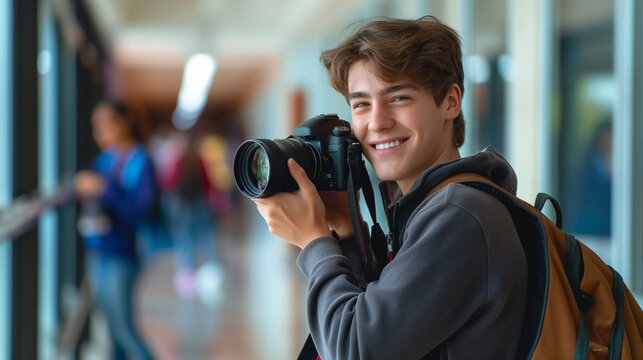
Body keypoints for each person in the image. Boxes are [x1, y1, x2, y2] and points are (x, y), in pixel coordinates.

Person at [252, 16, 528, 359]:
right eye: (361, 104)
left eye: (398, 97)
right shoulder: (431, 206)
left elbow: (355, 350)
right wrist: (347, 234)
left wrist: (314, 242)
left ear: (451, 102)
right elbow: (375, 321)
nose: (377, 122)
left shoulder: (459, 215)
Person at [74, 100, 155, 360]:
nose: (101, 131)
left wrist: (104, 190)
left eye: (108, 124)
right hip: (98, 251)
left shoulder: (140, 161)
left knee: (124, 330)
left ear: (125, 122)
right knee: (110, 332)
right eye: (97, 126)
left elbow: (142, 211)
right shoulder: (104, 161)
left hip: (123, 254)